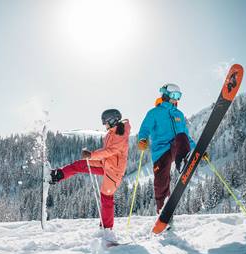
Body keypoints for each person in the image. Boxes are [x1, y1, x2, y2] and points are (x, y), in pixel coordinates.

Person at [49, 109, 130, 242]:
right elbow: (107, 154)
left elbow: (109, 151)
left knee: (106, 197)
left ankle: (107, 231)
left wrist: (92, 155)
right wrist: (91, 157)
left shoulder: (120, 134)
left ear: (112, 120)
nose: (104, 125)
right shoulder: (112, 132)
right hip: (106, 164)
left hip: (114, 171)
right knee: (81, 164)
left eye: (105, 122)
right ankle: (57, 175)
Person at [137, 83, 197, 216]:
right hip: (160, 150)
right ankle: (162, 212)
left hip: (177, 146)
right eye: (175, 95)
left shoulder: (179, 114)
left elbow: (186, 134)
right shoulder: (154, 113)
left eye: (179, 96)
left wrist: (197, 149)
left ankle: (183, 161)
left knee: (181, 136)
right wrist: (142, 139)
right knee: (161, 183)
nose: (177, 99)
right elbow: (145, 128)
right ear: (165, 95)